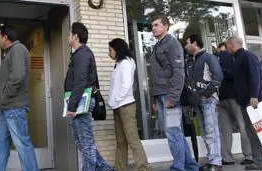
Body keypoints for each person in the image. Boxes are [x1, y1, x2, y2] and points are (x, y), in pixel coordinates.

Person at [227, 36, 262, 171]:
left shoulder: (248, 56)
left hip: (253, 101)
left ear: (232, 44)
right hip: (245, 102)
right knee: (252, 133)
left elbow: (255, 76)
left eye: (227, 45)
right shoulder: (238, 58)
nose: (227, 47)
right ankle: (259, 162)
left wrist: (254, 95)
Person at [149, 16, 198, 171]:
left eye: (156, 25)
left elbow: (179, 72)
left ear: (166, 27)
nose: (153, 28)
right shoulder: (157, 46)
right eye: (152, 26)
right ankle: (190, 166)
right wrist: (155, 98)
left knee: (172, 132)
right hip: (161, 95)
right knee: (175, 132)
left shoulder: (172, 44)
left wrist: (173, 97)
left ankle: (178, 167)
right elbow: (156, 74)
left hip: (170, 95)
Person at [65, 22, 113, 171]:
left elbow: (80, 81)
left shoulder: (82, 54)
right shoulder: (80, 54)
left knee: (86, 142)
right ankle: (104, 168)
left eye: (69, 34)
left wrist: (72, 106)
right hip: (78, 101)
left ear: (75, 36)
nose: (67, 37)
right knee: (81, 141)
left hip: (81, 102)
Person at [0, 25, 39, 171]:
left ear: (5, 37)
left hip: (14, 107)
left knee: (22, 144)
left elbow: (18, 76)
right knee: (1, 145)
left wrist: (4, 96)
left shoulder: (18, 49)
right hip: (8, 108)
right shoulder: (10, 52)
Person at [107, 38, 148, 171]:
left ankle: (143, 168)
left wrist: (114, 100)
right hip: (117, 107)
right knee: (120, 141)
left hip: (126, 106)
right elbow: (116, 86)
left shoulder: (126, 63)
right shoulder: (119, 64)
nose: (109, 53)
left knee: (133, 140)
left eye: (110, 50)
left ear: (117, 50)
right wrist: (112, 102)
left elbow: (126, 86)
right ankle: (119, 168)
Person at [184, 35, 223, 171]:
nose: (185, 46)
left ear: (195, 43)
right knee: (206, 133)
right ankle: (212, 159)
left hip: (209, 100)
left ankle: (216, 163)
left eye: (187, 43)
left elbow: (218, 76)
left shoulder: (209, 57)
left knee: (212, 131)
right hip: (198, 102)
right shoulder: (191, 61)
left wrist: (207, 93)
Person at [216, 42, 253, 166]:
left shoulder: (232, 57)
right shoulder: (228, 57)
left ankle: (231, 157)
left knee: (235, 128)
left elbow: (235, 75)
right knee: (233, 128)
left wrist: (221, 71)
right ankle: (245, 156)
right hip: (225, 98)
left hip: (229, 97)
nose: (220, 51)